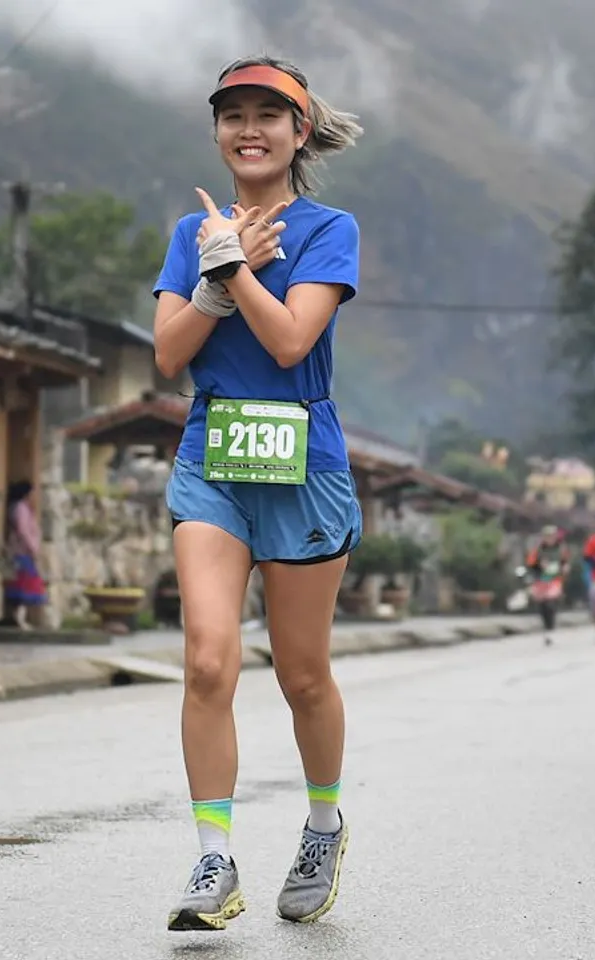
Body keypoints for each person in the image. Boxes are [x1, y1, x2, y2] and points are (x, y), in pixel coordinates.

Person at [151, 56, 364, 932]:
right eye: (232, 113)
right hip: (215, 453)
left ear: (298, 131)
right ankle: (211, 860)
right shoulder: (187, 233)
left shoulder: (329, 230)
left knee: (304, 674)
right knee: (207, 657)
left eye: (267, 115)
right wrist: (208, 275)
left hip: (301, 456)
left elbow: (288, 342)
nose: (249, 128)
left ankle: (323, 826)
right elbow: (168, 356)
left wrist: (234, 270)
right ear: (216, 131)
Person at [2, 482, 48, 629]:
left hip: (24, 551)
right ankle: (19, 618)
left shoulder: (25, 508)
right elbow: (23, 530)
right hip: (22, 552)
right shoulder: (20, 508)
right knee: (25, 585)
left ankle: (21, 618)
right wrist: (32, 547)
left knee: (25, 584)